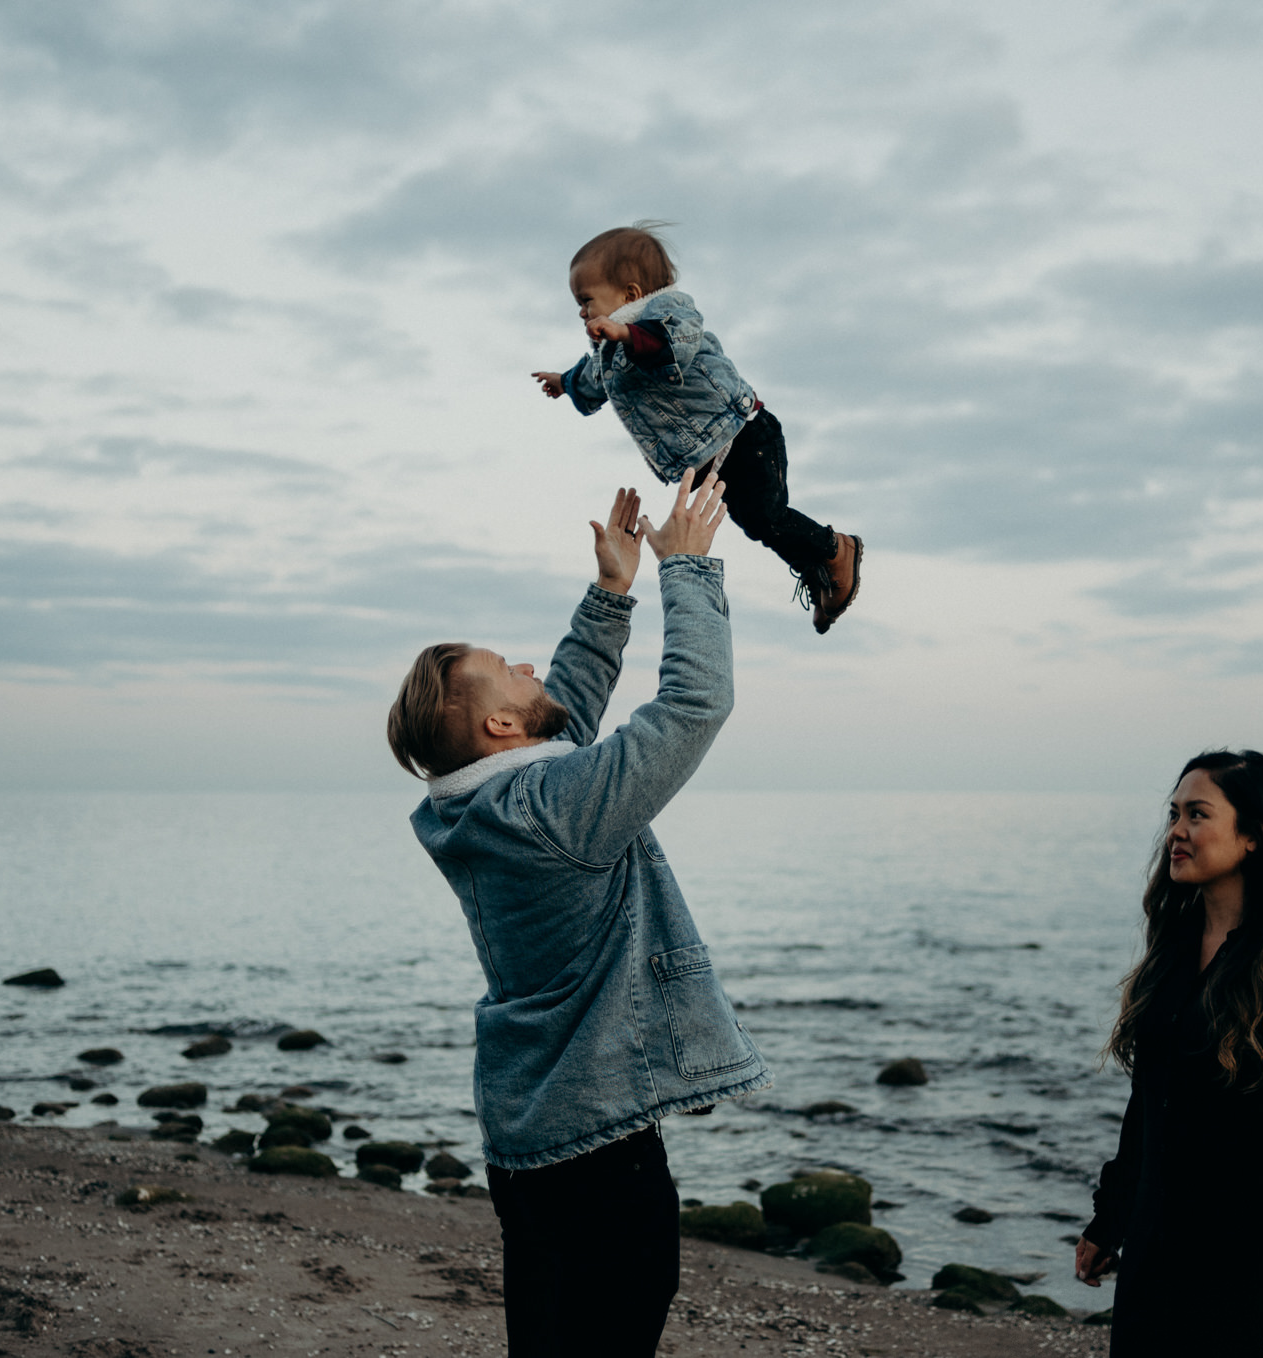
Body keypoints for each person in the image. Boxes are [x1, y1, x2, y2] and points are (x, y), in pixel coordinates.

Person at [385, 479, 771, 1358]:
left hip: (526, 1141)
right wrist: (688, 571)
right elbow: (693, 709)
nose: (530, 666)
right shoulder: (554, 806)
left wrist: (609, 593)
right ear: (497, 722)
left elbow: (561, 721)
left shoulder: (468, 812)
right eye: (508, 670)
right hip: (600, 1151)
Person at [1074, 750, 1263, 1356]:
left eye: (1197, 814)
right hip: (1158, 1257)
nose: (1176, 832)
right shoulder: (1175, 951)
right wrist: (1110, 1219)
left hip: (1252, 1274)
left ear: (1253, 837)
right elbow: (1150, 1108)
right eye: (1173, 814)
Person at [531, 222, 863, 634]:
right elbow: (592, 377)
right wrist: (564, 383)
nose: (581, 312)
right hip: (711, 460)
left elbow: (676, 342)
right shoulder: (610, 352)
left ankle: (835, 551)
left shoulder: (668, 312)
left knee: (765, 516)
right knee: (757, 524)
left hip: (744, 435)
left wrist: (628, 332)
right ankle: (818, 567)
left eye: (586, 300)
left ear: (631, 295)